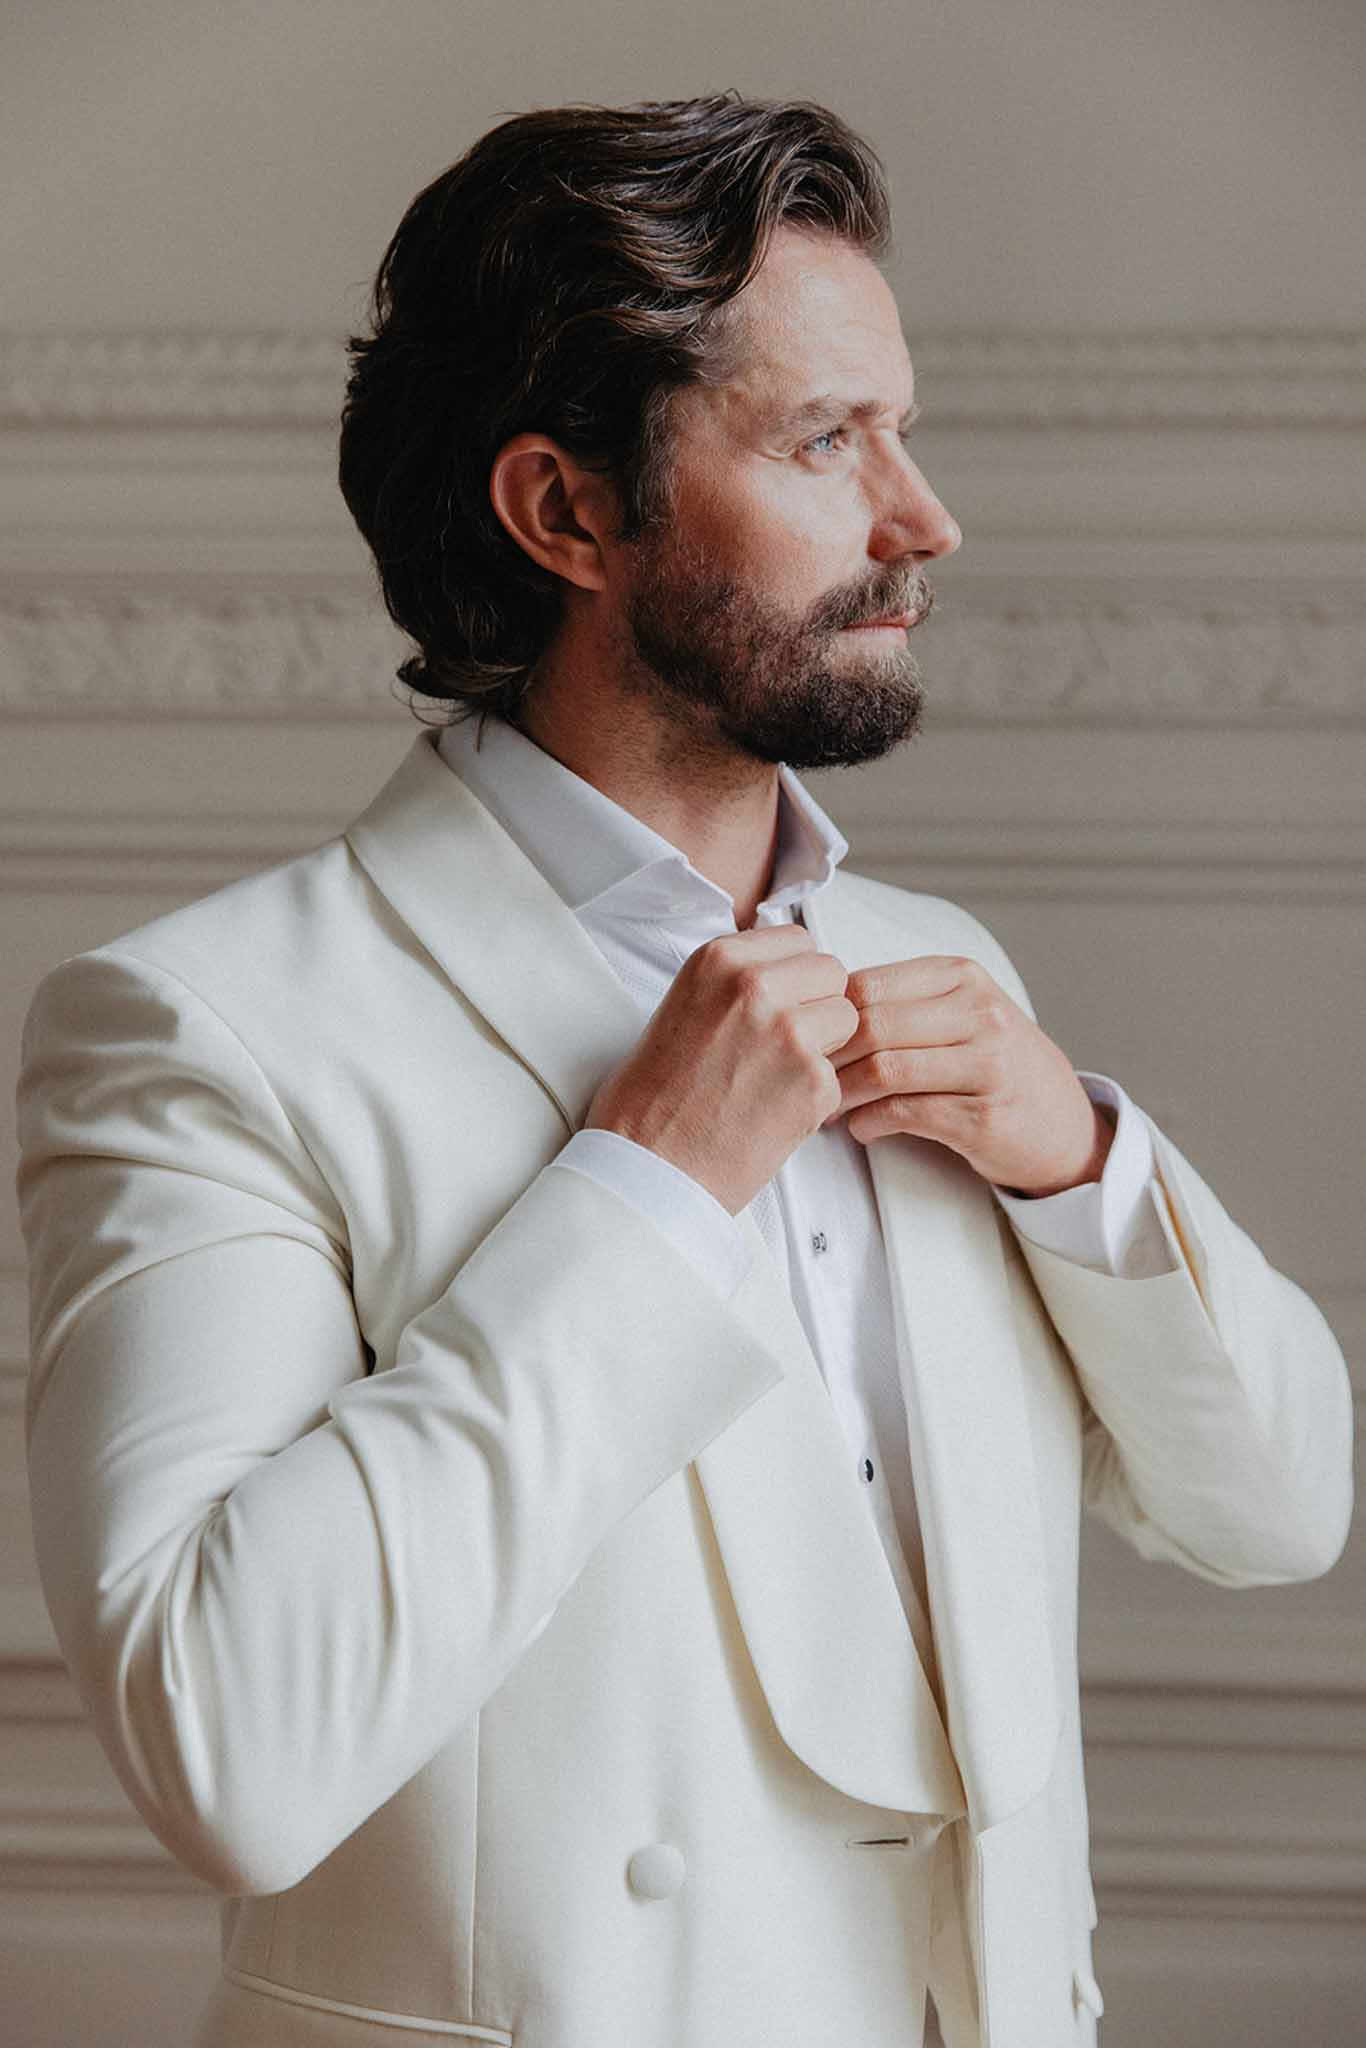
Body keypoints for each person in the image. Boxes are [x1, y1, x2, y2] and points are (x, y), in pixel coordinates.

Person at [16, 93, 1352, 2048]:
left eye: (898, 427)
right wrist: (641, 1190)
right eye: (826, 441)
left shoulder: (938, 974)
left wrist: (1071, 1151)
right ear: (564, 513)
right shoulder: (205, 1026)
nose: (922, 518)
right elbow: (229, 1744)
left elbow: (1283, 1511)